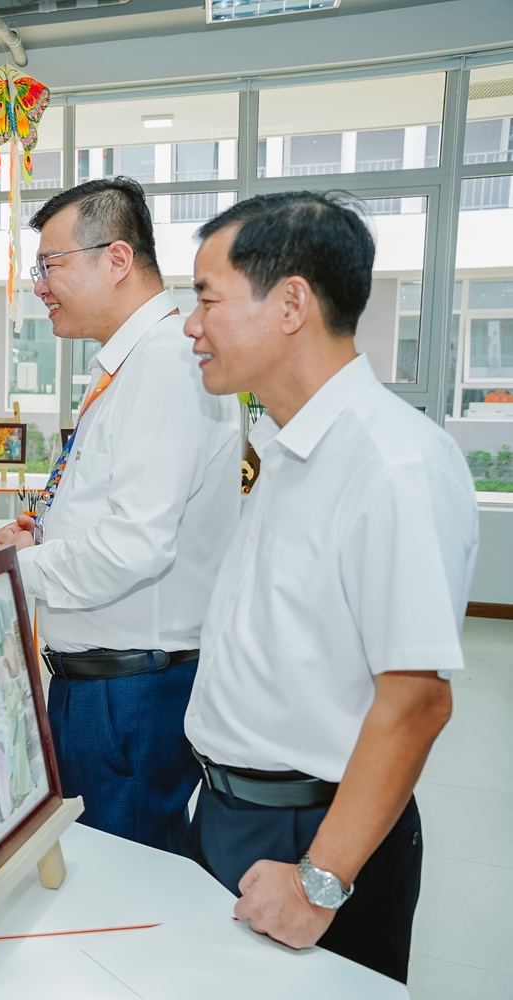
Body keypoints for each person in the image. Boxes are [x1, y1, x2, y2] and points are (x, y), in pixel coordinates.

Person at [182, 192, 476, 983]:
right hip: (236, 816)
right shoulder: (289, 444)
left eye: (206, 297)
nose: (190, 324)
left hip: (314, 837)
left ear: (291, 303)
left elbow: (416, 698)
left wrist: (320, 880)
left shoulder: (391, 463)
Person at [0, 178, 240, 855]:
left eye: (50, 265)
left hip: (130, 692)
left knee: (122, 888)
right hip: (102, 679)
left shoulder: (163, 365)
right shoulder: (126, 366)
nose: (38, 285)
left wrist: (12, 566)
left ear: (117, 259)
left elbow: (133, 548)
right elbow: (118, 509)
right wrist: (46, 534)